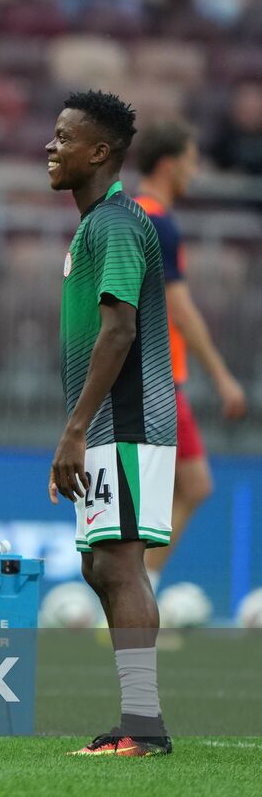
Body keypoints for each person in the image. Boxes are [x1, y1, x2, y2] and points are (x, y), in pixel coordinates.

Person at [46, 90, 176, 757]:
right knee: (103, 566)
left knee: (120, 564)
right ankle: (137, 719)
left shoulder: (118, 223)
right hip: (105, 425)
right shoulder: (94, 224)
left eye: (65, 137)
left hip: (126, 420)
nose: (51, 145)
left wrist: (76, 427)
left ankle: (144, 727)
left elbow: (119, 328)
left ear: (99, 152)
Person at [132, 120, 246, 585]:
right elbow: (180, 309)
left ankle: (138, 593)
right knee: (173, 491)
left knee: (188, 486)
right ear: (168, 164)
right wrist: (222, 375)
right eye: (192, 162)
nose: (195, 173)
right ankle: (132, 598)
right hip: (156, 377)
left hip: (143, 375)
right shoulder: (156, 221)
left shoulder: (124, 214)